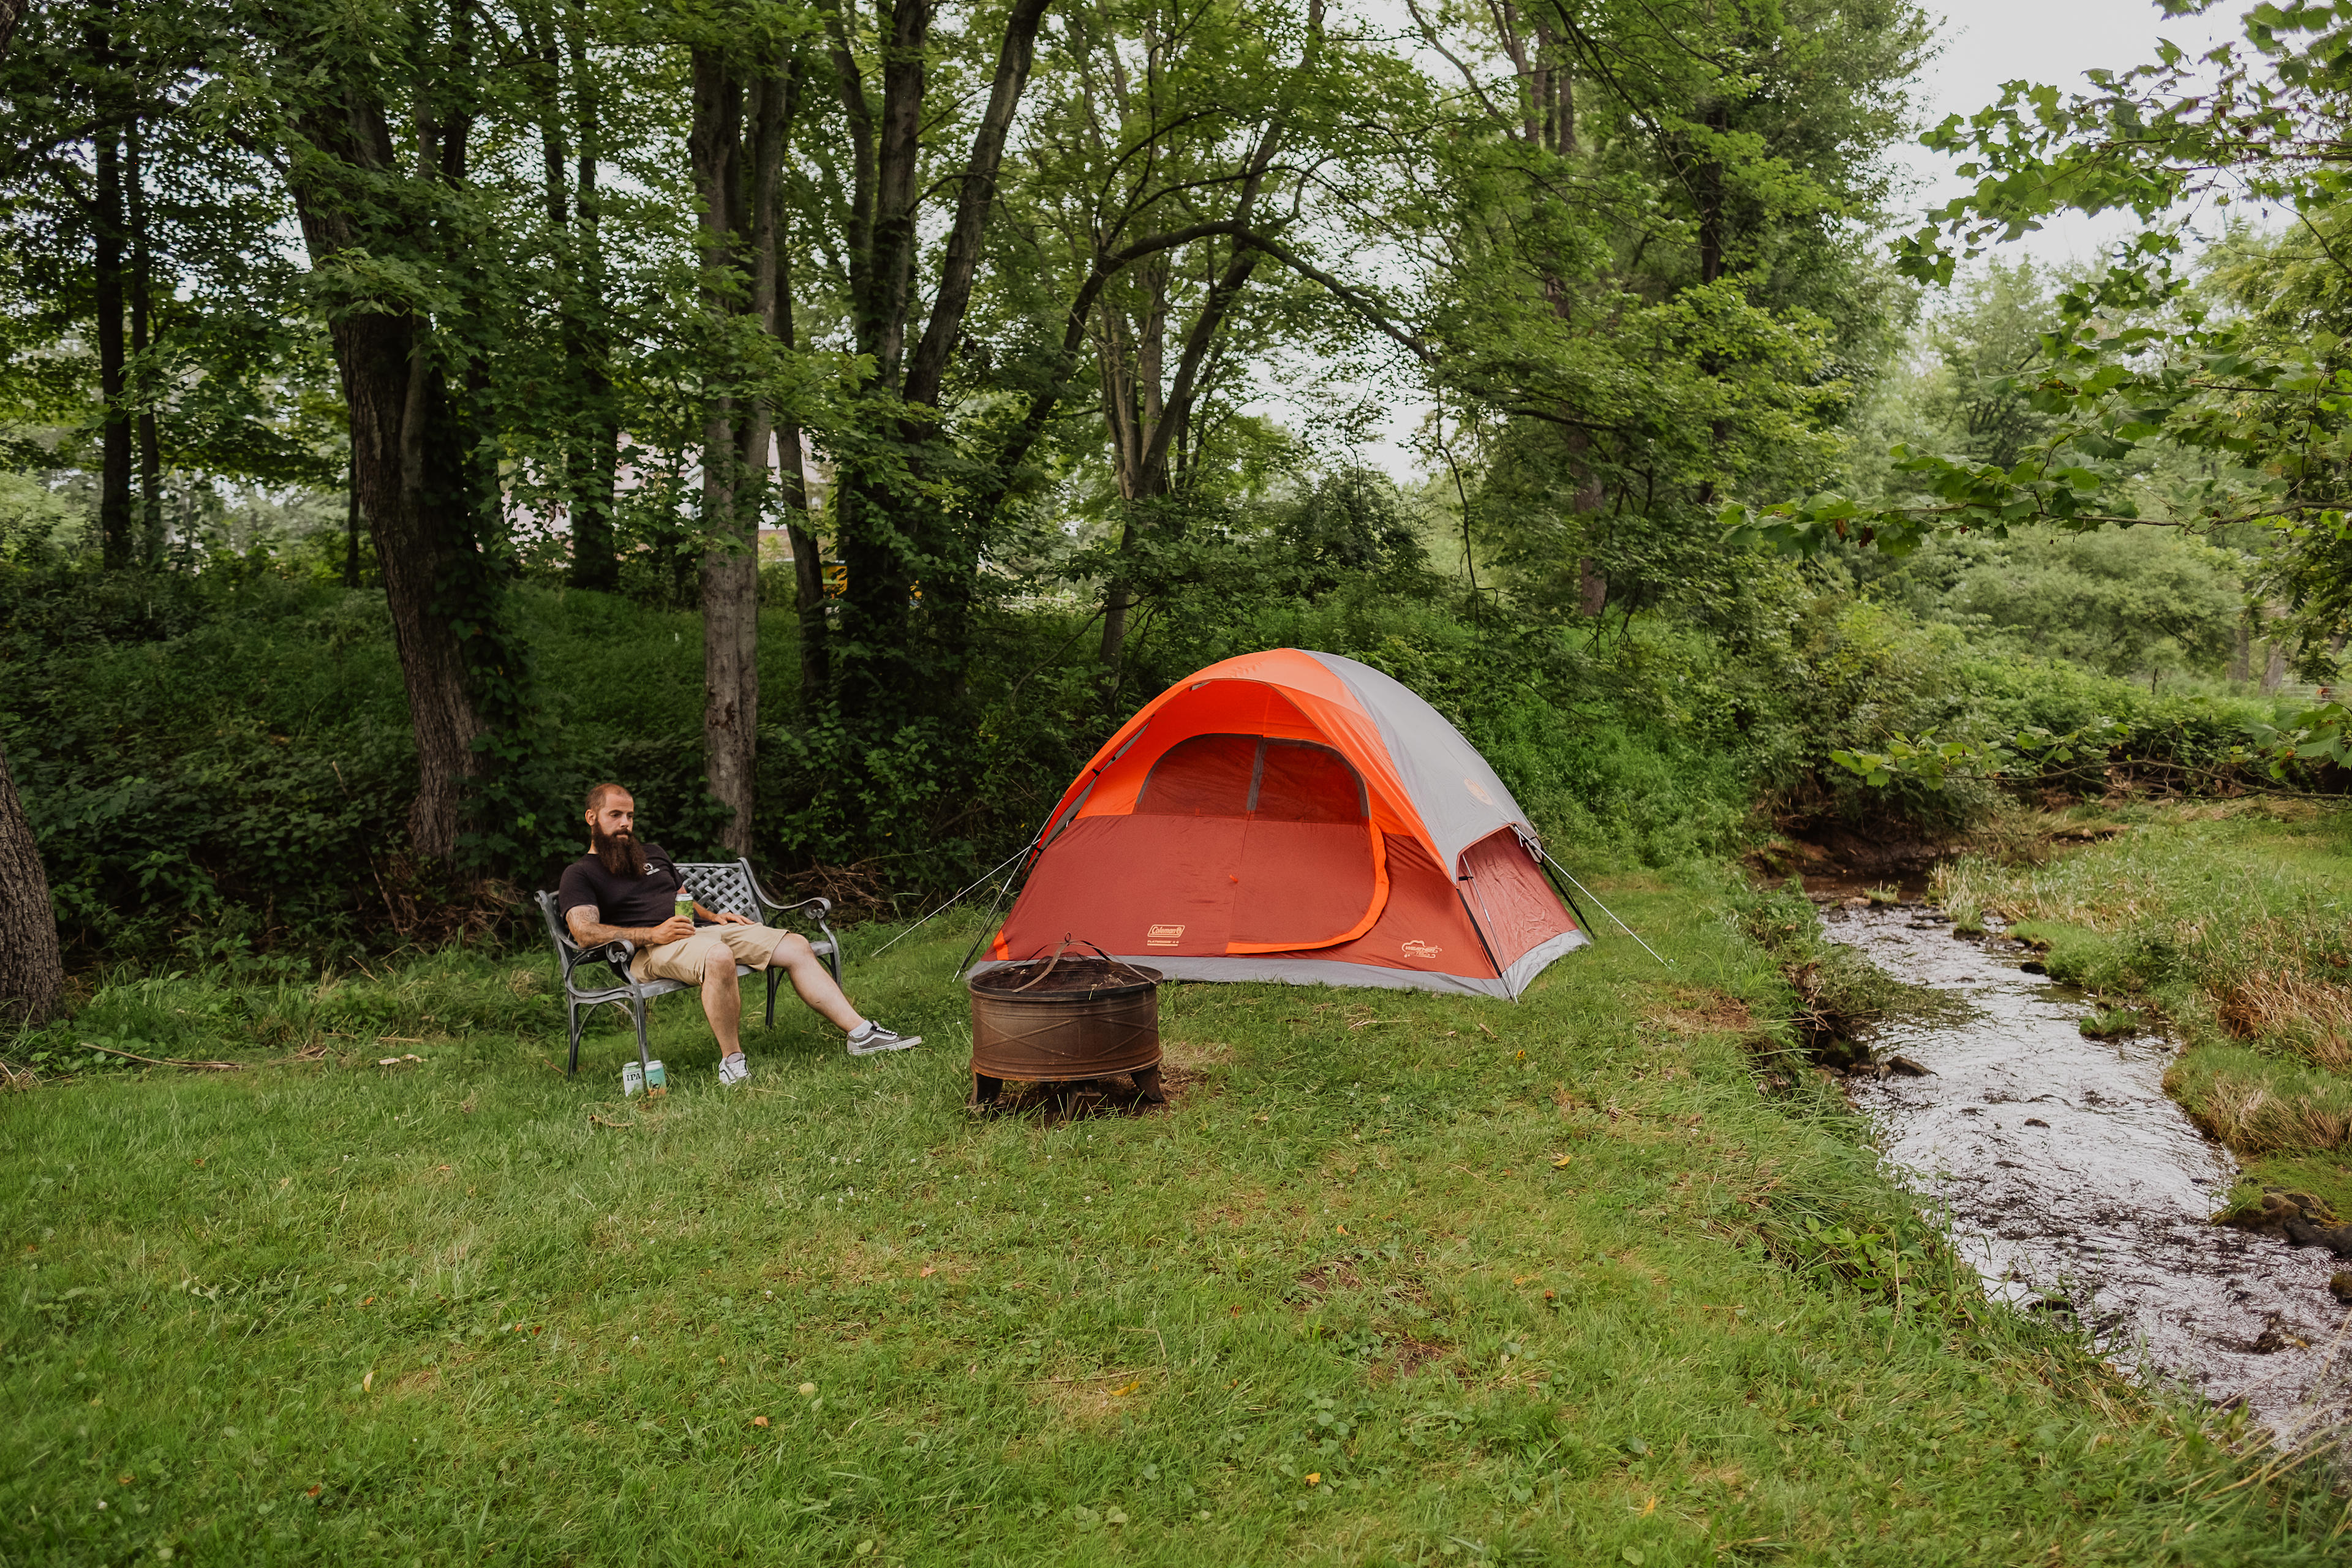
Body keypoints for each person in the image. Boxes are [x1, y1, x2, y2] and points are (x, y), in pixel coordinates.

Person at [557, 783, 919, 1085]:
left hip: (698, 932)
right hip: (649, 952)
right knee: (718, 958)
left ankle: (861, 1035)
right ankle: (732, 1063)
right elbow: (585, 932)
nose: (625, 824)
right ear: (592, 818)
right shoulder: (581, 873)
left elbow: (682, 898)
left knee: (794, 944)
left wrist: (716, 916)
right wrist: (652, 934)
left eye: (630, 816)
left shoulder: (652, 854)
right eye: (615, 815)